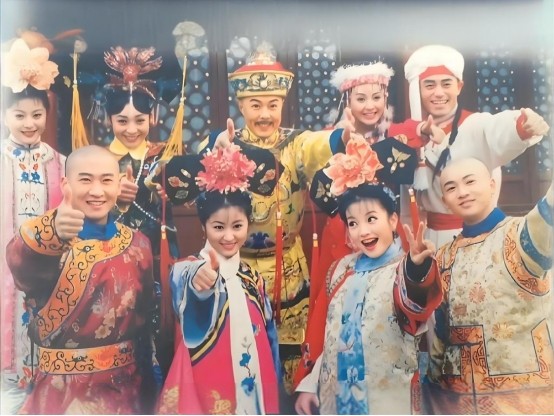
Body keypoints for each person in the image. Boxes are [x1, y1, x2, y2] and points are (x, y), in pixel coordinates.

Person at [163, 43, 352, 394]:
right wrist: (215, 152)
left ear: (282, 104)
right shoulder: (223, 142)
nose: (265, 114)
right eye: (255, 105)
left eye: (272, 105)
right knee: (240, 351)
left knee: (292, 351)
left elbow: (320, 143)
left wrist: (343, 135)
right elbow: (182, 175)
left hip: (288, 266)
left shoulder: (296, 144)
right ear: (241, 105)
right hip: (235, 265)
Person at [293, 136, 441, 414]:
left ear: (393, 220)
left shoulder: (402, 269)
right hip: (337, 398)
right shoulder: (340, 271)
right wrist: (309, 384)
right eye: (353, 223)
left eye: (372, 219)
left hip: (388, 401)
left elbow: (417, 304)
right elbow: (323, 332)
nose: (363, 231)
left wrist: (417, 269)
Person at [5, 145, 156, 414]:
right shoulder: (47, 243)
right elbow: (21, 263)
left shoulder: (139, 243)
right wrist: (53, 231)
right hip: (63, 394)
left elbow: (148, 323)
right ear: (66, 184)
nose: (97, 191)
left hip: (129, 390)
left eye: (106, 180)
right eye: (85, 180)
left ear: (119, 184)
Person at [396, 156, 553, 414]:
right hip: (457, 399)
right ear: (444, 201)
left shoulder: (521, 235)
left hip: (524, 398)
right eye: (451, 188)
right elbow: (432, 327)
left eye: (470, 182)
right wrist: (417, 268)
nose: (462, 192)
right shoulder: (444, 256)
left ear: (492, 185)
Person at [156, 144, 280, 414]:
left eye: (237, 226)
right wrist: (201, 282)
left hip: (254, 384)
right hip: (208, 387)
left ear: (248, 224)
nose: (229, 236)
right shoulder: (188, 268)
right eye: (218, 227)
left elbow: (270, 342)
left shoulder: (253, 278)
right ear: (203, 227)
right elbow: (189, 281)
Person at [389, 44, 549, 247]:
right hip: (431, 238)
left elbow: (498, 129)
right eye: (429, 85)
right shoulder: (412, 134)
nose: (438, 93)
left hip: (479, 235)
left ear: (459, 86)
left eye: (446, 84)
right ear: (419, 89)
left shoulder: (474, 124)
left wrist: (522, 126)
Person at [310, 61, 422, 314]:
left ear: (385, 98)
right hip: (343, 228)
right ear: (347, 101)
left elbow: (416, 130)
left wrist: (424, 128)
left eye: (376, 97)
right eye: (361, 99)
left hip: (382, 224)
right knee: (338, 296)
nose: (370, 106)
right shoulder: (330, 137)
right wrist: (345, 138)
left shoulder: (393, 135)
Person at [102, 45, 179, 382]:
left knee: (161, 328)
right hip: (111, 257)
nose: (131, 129)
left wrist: (168, 195)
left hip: (156, 256)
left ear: (153, 118)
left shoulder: (165, 156)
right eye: (122, 121)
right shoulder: (99, 159)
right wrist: (111, 196)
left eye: (139, 120)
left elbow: (184, 198)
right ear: (109, 119)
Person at [0, 38, 66, 414]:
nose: (29, 123)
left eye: (37, 114)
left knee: (48, 374)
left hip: (49, 274)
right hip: (3, 273)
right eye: (19, 115)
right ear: (4, 115)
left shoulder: (61, 163)